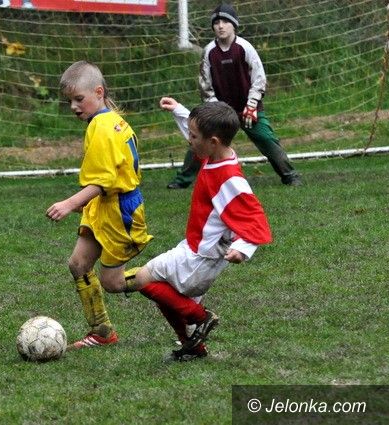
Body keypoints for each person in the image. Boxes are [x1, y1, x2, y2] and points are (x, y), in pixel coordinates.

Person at [124, 99, 272, 361]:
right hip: (197, 251)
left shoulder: (229, 178)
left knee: (142, 280)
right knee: (167, 297)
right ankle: (192, 347)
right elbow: (198, 135)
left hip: (198, 258)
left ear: (213, 142)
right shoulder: (216, 153)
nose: (189, 140)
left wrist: (242, 248)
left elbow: (253, 217)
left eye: (193, 136)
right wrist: (179, 111)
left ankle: (201, 317)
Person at [46, 61, 153, 350]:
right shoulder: (107, 120)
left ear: (98, 92)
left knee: (113, 283)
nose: (73, 106)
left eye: (79, 99)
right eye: (70, 101)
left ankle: (169, 277)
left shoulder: (103, 127)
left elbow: (102, 181)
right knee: (78, 264)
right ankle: (101, 331)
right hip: (103, 205)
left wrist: (70, 203)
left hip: (120, 209)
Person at [167, 3, 301, 189]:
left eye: (225, 22)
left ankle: (290, 176)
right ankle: (182, 181)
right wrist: (216, 110)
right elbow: (205, 86)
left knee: (266, 139)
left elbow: (259, 79)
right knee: (201, 140)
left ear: (234, 25)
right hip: (220, 112)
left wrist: (251, 105)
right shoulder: (209, 52)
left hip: (248, 109)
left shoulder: (245, 48)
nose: (220, 26)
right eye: (216, 23)